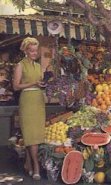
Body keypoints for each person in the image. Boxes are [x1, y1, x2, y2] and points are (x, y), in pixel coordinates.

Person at [13, 37, 46, 180]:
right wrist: (33, 83)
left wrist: (43, 85)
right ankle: (36, 166)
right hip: (27, 101)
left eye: (35, 50)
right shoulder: (20, 65)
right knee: (30, 135)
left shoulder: (39, 66)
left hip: (39, 101)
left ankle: (29, 165)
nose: (34, 53)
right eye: (31, 51)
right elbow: (16, 86)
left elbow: (39, 83)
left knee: (35, 136)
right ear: (26, 51)